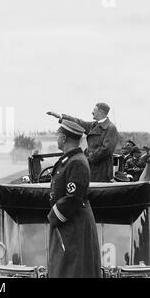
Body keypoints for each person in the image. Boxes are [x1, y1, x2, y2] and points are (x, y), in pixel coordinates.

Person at [47, 119, 101, 278]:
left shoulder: (76, 162)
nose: (56, 138)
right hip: (70, 221)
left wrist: (53, 216)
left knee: (74, 269)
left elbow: (73, 198)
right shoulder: (70, 159)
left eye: (58, 135)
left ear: (64, 138)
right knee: (65, 266)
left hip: (74, 223)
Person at [47, 102, 119, 182]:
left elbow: (107, 149)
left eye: (94, 110)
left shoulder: (111, 128)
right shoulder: (94, 125)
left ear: (101, 112)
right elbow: (78, 122)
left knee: (97, 190)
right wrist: (61, 117)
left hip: (101, 170)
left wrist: (88, 158)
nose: (92, 112)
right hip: (91, 167)